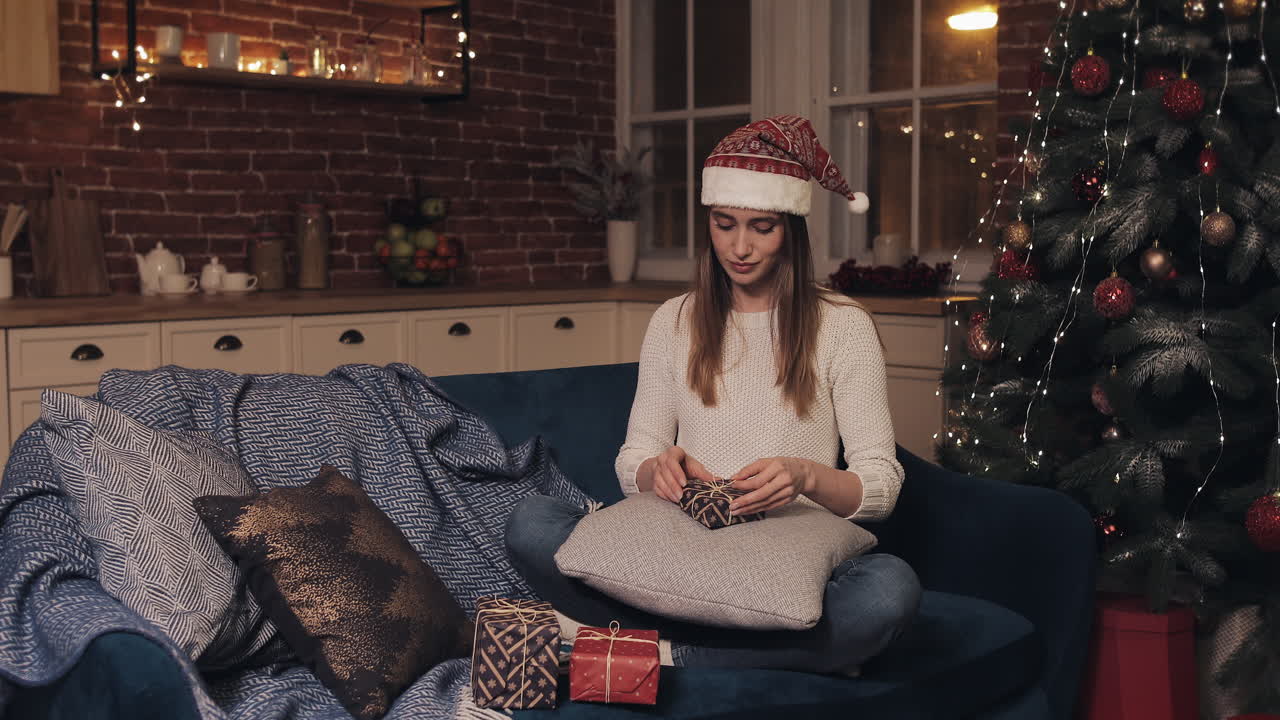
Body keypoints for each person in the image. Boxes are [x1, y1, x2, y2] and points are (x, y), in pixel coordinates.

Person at [505, 115, 920, 674]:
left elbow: (882, 486)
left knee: (889, 590)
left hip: (789, 551)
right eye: (724, 225)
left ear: (791, 229)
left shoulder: (844, 325)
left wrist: (805, 476)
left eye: (761, 228)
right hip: (685, 537)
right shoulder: (672, 320)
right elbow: (634, 457)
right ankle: (756, 653)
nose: (739, 247)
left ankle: (672, 651)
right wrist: (658, 471)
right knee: (531, 521)